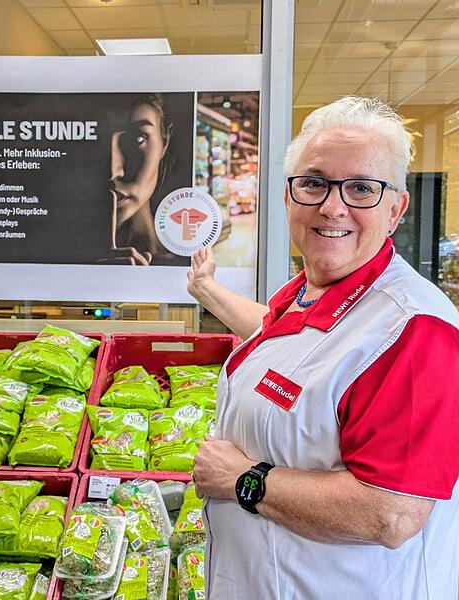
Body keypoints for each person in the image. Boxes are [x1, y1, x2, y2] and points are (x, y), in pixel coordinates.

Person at [188, 96, 459, 599]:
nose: (332, 206)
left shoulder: (414, 329)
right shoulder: (308, 289)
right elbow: (286, 341)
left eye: (361, 188)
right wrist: (205, 290)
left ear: (396, 208)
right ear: (289, 197)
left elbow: (391, 513)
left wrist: (245, 480)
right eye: (313, 182)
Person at [100, 93, 175, 265]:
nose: (114, 171)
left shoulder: (188, 262)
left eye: (137, 139)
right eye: (95, 140)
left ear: (164, 142)